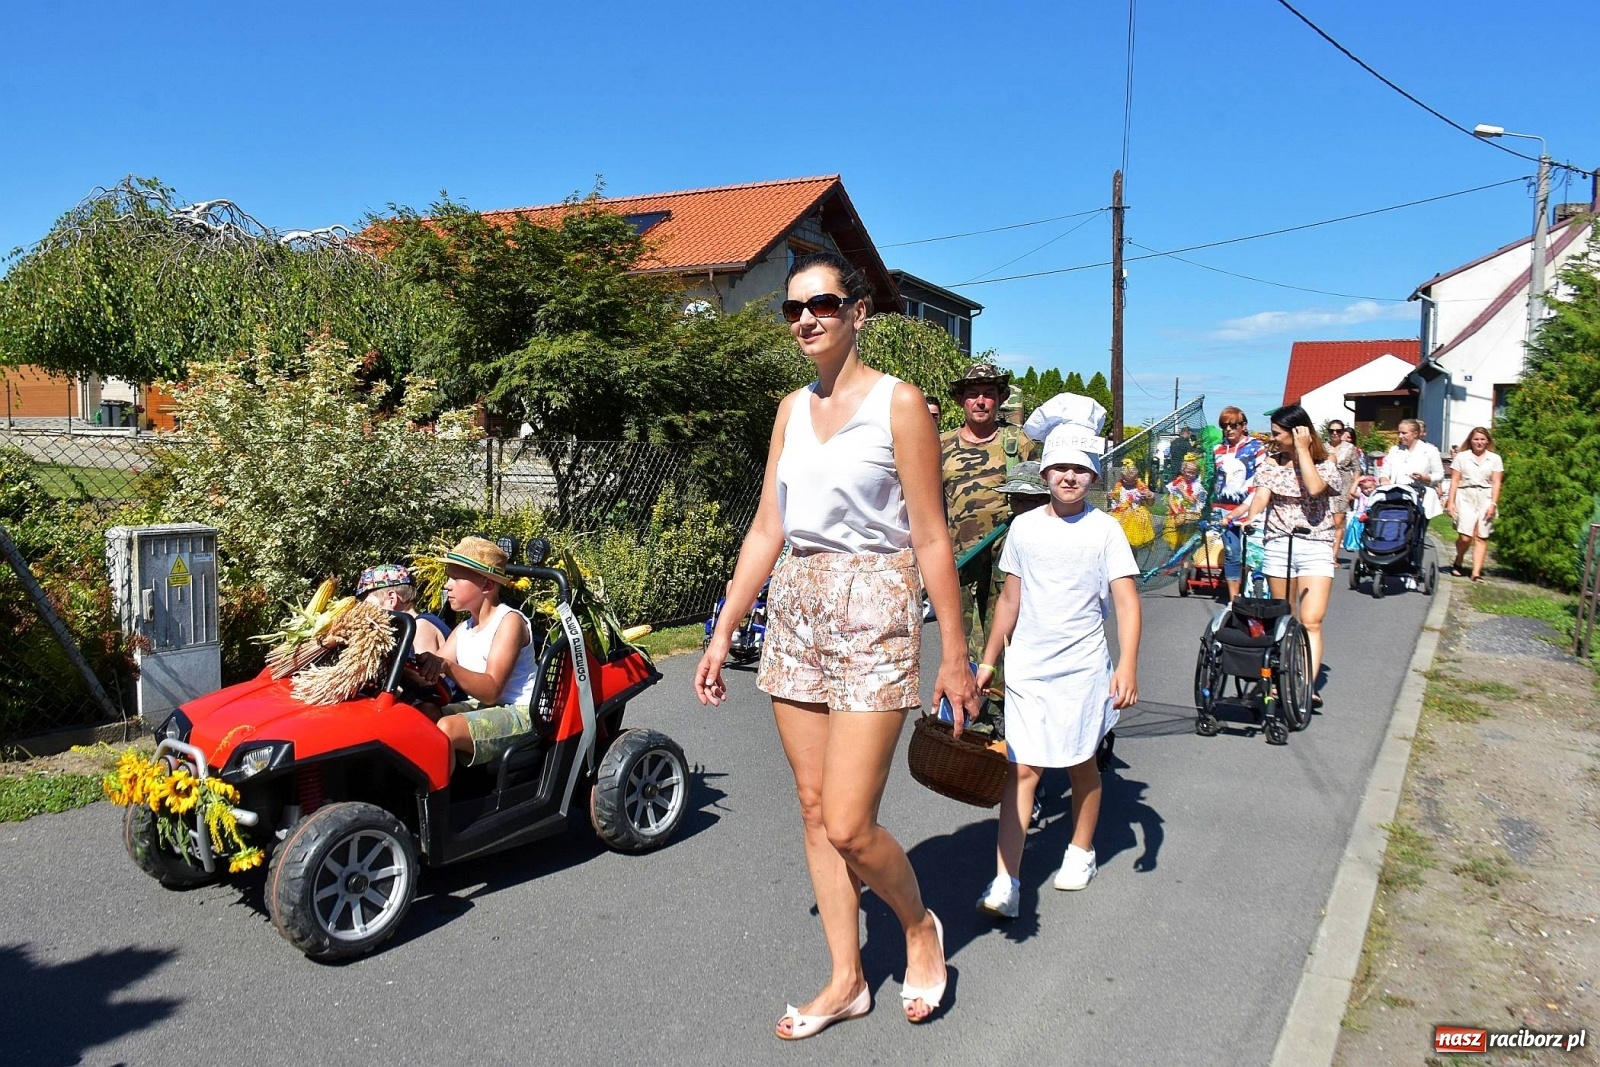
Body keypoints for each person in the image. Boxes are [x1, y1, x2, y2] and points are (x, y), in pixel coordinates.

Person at [694, 251, 978, 1038]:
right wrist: (721, 633)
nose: (805, 319)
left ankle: (919, 927)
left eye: (821, 303)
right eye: (792, 308)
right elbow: (766, 528)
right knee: (815, 808)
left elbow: (929, 534)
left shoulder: (901, 403)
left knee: (852, 820)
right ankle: (847, 977)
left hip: (876, 604)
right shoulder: (789, 409)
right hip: (796, 604)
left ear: (858, 312)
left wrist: (953, 652)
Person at [973, 393, 1141, 918]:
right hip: (1028, 667)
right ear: (1044, 473)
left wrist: (1128, 664)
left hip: (1084, 666)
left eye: (1080, 469)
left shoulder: (1106, 530)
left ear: (1093, 475)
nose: (1069, 477)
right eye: (1060, 468)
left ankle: (1080, 849)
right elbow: (1009, 599)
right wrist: (987, 659)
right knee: (1023, 769)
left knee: (1080, 763)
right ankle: (1006, 881)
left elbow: (1127, 602)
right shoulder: (1024, 528)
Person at [1242, 404, 1339, 706]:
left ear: (1298, 432)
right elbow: (1261, 495)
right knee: (1284, 617)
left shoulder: (1325, 463)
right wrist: (1251, 517)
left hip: (1316, 544)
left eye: (1277, 434)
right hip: (1279, 543)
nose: (1272, 439)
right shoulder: (1271, 464)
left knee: (1311, 620)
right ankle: (1279, 678)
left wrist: (1303, 450)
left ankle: (1305, 684)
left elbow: (1313, 487)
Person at [941, 363, 1036, 665]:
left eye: (988, 394)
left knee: (1005, 633)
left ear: (1000, 399)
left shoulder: (1018, 443)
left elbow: (1042, 499)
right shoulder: (940, 445)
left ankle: (998, 703)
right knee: (960, 638)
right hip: (958, 558)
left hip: (1005, 558)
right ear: (961, 400)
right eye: (973, 394)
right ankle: (962, 705)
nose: (980, 401)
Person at [415, 537, 538, 766]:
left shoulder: (509, 622)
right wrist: (402, 664)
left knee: (447, 728)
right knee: (421, 714)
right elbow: (432, 671)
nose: (447, 585)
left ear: (487, 585)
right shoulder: (464, 628)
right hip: (484, 707)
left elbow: (492, 690)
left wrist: (447, 666)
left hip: (521, 712)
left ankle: (435, 800)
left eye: (456, 578)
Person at [1211, 406, 1267, 602]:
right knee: (1232, 554)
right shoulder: (1217, 450)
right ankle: (1235, 600)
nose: (1229, 429)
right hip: (1225, 510)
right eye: (1224, 425)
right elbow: (1216, 480)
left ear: (1244, 425)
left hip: (1253, 508)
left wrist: (1253, 506)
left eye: (1234, 425)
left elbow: (1262, 479)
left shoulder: (1257, 447)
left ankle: (1256, 596)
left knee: (1254, 554)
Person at [1445, 426, 1504, 583]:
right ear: (1471, 440)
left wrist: (1493, 503)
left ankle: (1476, 572)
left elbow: (1496, 483)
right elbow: (1455, 481)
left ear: (1488, 441)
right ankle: (1459, 559)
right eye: (1476, 439)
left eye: (1482, 439)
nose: (1479, 442)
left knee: (1481, 535)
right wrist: (1450, 502)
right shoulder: (1462, 457)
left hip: (1485, 496)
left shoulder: (1495, 459)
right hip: (1465, 495)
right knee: (1465, 537)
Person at [356, 563, 450, 656]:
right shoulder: (416, 624)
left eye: (367, 604)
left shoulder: (420, 626)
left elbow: (426, 670)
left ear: (392, 599)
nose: (365, 611)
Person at [1380, 418, 1444, 518]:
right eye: (1399, 433)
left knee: (1417, 530)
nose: (1400, 436)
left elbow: (1439, 475)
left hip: (1422, 498)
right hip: (1397, 498)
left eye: (1404, 433)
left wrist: (1425, 478)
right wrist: (1384, 480)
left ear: (1415, 434)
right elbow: (1384, 471)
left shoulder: (1430, 450)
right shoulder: (1394, 450)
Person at [1325, 419, 1361, 563]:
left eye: (1338, 431)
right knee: (1326, 522)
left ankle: (1333, 556)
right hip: (1326, 486)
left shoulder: (1349, 448)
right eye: (1332, 431)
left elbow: (1357, 468)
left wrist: (1354, 486)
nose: (1335, 433)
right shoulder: (1323, 447)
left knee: (1338, 522)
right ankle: (1324, 552)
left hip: (1343, 485)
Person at [1107, 461, 1157, 548]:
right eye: (1126, 481)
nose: (1129, 483)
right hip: (1120, 517)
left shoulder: (1141, 488)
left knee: (1132, 546)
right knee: (1118, 543)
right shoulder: (1119, 487)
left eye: (1133, 480)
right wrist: (1109, 497)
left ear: (1137, 477)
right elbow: (1112, 504)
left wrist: (1151, 496)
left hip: (1136, 518)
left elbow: (1150, 504)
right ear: (1122, 477)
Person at [1163, 457, 1204, 550]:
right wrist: (1177, 512)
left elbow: (1192, 501)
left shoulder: (1197, 486)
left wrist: (1183, 491)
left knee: (1187, 544)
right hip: (1177, 516)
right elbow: (1170, 500)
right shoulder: (1175, 483)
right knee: (1177, 545)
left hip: (1190, 516)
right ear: (1183, 470)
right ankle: (1178, 562)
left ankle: (1185, 563)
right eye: (1189, 472)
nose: (1190, 475)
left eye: (1193, 473)